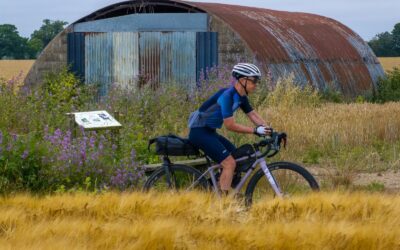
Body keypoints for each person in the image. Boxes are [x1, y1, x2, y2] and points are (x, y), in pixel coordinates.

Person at [188, 63, 271, 195]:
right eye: (254, 81)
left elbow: (253, 115)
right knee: (229, 163)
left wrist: (270, 131)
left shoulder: (242, 97)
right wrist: (255, 131)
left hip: (210, 132)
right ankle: (223, 204)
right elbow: (229, 125)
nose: (256, 84)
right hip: (199, 133)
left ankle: (214, 189)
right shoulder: (227, 96)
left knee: (238, 158)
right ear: (243, 80)